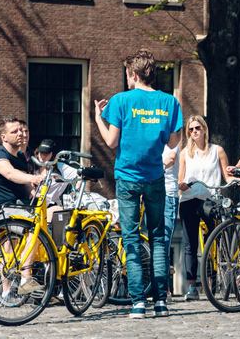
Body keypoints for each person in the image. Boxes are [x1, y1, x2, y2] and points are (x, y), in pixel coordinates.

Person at [95, 48, 183, 319]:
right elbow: (173, 142)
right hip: (155, 177)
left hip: (127, 178)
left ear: (133, 74)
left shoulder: (121, 101)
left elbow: (110, 142)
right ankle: (160, 302)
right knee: (158, 239)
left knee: (131, 239)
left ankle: (137, 303)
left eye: (127, 75)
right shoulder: (170, 102)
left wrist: (98, 117)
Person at [0, 116, 45, 296]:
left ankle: (7, 293)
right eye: (14, 132)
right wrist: (34, 178)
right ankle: (25, 275)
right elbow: (10, 174)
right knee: (38, 226)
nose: (19, 134)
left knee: (9, 247)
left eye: (22, 131)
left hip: (14, 208)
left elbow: (25, 187)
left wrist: (35, 194)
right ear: (3, 137)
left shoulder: (19, 158)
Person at [177, 115, 229, 301]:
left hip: (210, 200)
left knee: (212, 242)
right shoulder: (184, 153)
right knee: (191, 244)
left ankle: (212, 283)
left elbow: (226, 175)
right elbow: (180, 178)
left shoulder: (217, 151)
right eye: (190, 130)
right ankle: (192, 287)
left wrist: (236, 180)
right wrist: (181, 185)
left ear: (205, 129)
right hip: (189, 199)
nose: (194, 132)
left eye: (197, 128)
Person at [162, 142, 180, 300]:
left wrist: (159, 167)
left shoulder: (172, 144)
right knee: (154, 241)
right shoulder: (151, 142)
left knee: (165, 242)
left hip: (168, 195)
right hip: (150, 195)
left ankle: (164, 288)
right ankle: (157, 287)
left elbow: (172, 158)